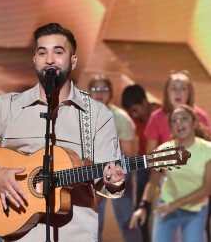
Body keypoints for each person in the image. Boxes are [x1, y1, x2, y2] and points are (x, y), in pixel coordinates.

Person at [0, 23, 126, 242]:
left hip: (77, 235)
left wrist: (113, 183)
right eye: (42, 52)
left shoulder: (97, 115)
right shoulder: (7, 106)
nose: (49, 59)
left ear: (73, 61)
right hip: (21, 233)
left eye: (58, 52)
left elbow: (106, 182)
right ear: (35, 61)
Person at [129, 104, 211, 242]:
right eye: (174, 120)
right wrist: (143, 206)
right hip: (166, 204)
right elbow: (153, 182)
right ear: (171, 127)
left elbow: (207, 188)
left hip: (195, 209)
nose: (179, 122)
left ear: (194, 122)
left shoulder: (207, 149)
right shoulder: (164, 150)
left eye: (184, 118)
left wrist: (175, 204)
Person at [88, 76, 141, 242]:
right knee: (92, 220)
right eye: (95, 89)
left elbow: (129, 153)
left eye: (104, 89)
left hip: (118, 172)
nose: (99, 93)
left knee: (126, 218)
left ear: (110, 93)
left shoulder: (121, 118)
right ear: (88, 93)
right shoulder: (79, 115)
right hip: (91, 170)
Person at [122, 84, 159, 242]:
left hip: (163, 172)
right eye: (130, 111)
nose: (133, 114)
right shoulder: (134, 120)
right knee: (141, 210)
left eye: (135, 109)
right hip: (145, 170)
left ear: (144, 102)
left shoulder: (161, 115)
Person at [144, 70, 210, 154]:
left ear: (189, 92)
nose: (178, 93)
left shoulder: (201, 116)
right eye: (173, 89)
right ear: (167, 92)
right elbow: (150, 155)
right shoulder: (156, 117)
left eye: (182, 89)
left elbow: (208, 150)